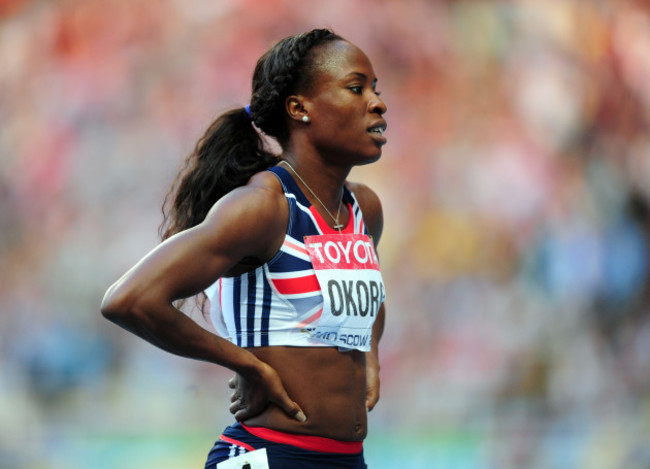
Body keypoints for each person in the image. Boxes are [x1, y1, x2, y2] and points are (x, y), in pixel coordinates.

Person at [101, 28, 388, 469]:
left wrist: (369, 353)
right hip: (270, 454)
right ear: (299, 109)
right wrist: (246, 364)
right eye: (355, 88)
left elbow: (369, 295)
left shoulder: (363, 209)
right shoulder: (261, 208)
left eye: (375, 89)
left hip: (347, 459)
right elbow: (130, 300)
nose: (377, 102)